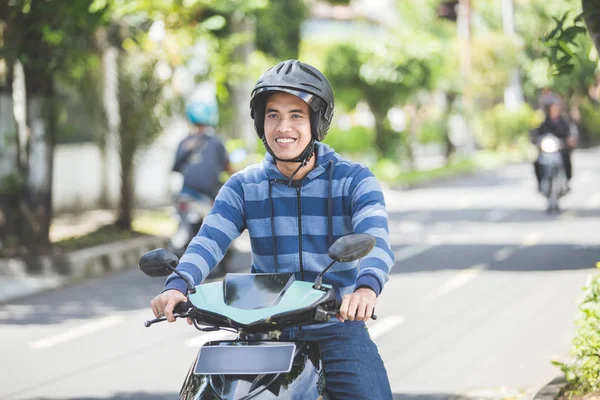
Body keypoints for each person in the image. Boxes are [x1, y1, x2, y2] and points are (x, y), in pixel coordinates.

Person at [151, 60, 395, 399]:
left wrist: (366, 289)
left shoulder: (354, 180)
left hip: (334, 327)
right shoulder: (243, 186)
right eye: (273, 115)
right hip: (260, 331)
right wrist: (179, 284)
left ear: (317, 121)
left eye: (296, 115)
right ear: (260, 122)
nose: (284, 127)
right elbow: (209, 239)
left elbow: (376, 239)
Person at [172, 95, 233, 200]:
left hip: (185, 194)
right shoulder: (216, 142)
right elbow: (228, 168)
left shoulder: (184, 142)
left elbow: (176, 167)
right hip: (208, 195)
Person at [532, 96, 578, 191]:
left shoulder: (564, 123)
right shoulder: (544, 124)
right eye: (551, 108)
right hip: (548, 152)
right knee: (537, 162)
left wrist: (570, 140)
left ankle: (567, 180)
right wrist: (535, 140)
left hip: (561, 150)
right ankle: (540, 183)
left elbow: (570, 134)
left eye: (555, 108)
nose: (554, 110)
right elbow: (536, 134)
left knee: (566, 158)